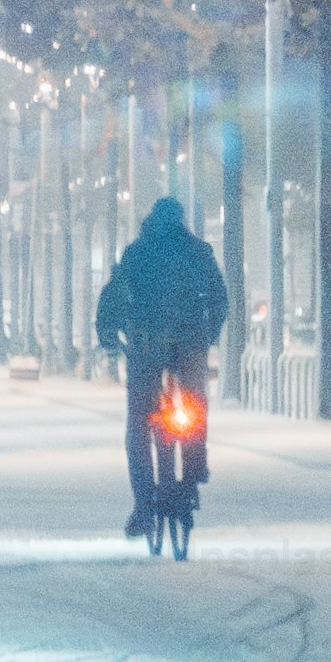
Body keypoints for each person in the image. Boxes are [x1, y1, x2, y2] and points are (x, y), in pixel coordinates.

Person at [96, 196, 232, 537]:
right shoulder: (198, 252)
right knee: (195, 403)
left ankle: (144, 507)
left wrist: (109, 337)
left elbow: (112, 296)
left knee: (139, 427)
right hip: (189, 345)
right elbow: (218, 296)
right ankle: (195, 468)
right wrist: (209, 333)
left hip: (146, 347)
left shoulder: (137, 253)